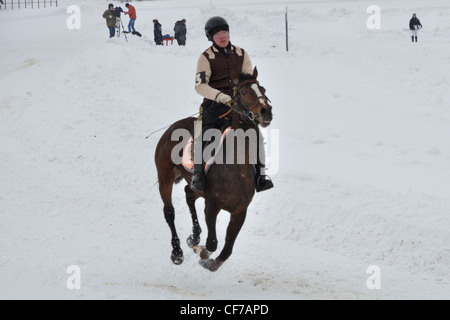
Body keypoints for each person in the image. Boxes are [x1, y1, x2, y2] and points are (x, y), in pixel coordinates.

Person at [191, 16, 274, 193]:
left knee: (256, 135)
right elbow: (200, 86)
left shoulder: (241, 54)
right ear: (211, 38)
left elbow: (248, 80)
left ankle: (260, 177)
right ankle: (198, 175)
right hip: (214, 106)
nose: (223, 37)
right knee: (204, 135)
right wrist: (221, 97)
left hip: (239, 107)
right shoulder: (205, 57)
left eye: (225, 32)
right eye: (218, 34)